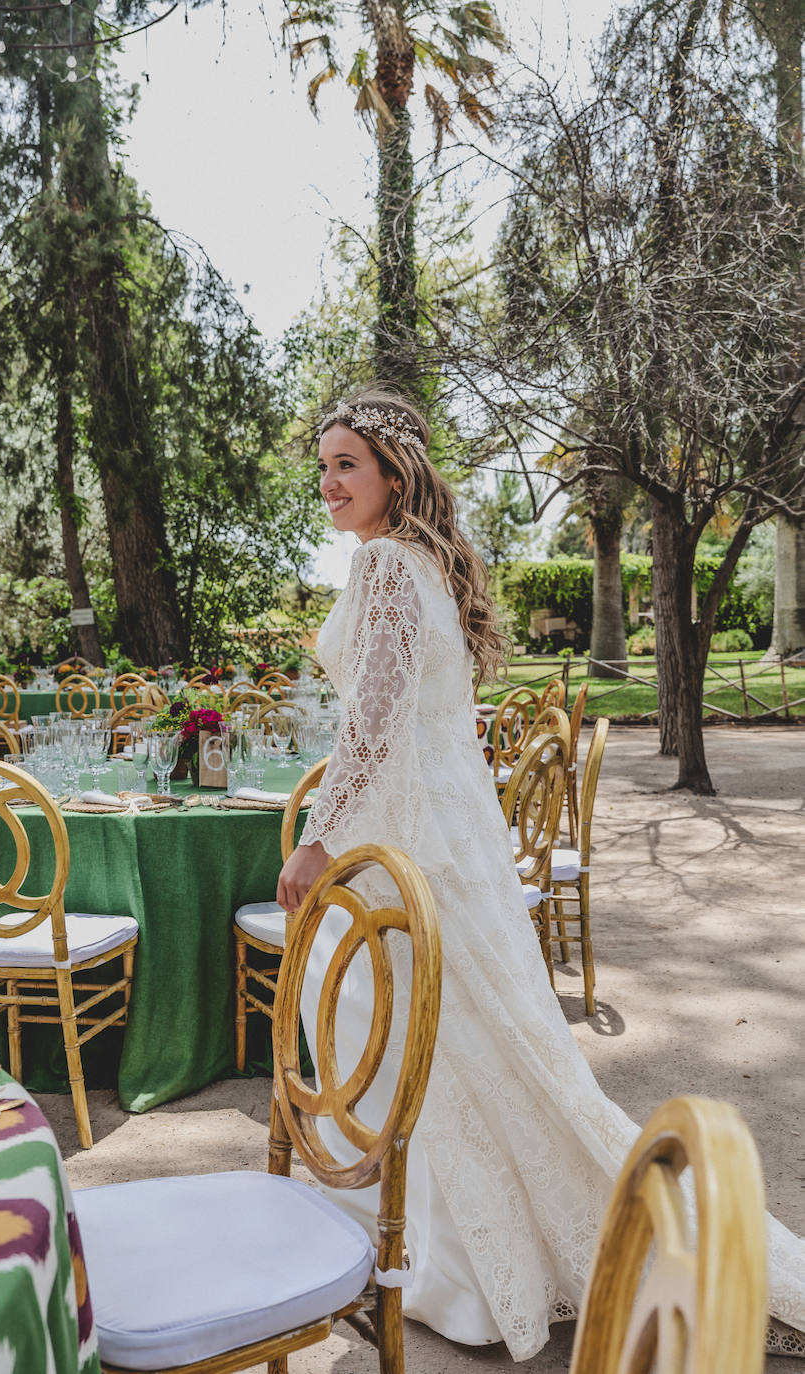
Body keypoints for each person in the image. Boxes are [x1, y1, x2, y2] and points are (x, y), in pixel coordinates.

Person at [276, 387, 805, 1362]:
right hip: (444, 821)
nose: (329, 483)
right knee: (457, 1034)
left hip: (408, 832)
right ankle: (438, 1245)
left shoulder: (391, 566)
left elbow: (376, 718)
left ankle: (445, 1256)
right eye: (324, 467)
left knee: (408, 1022)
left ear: (394, 472)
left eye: (345, 464)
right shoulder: (417, 562)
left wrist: (316, 836)